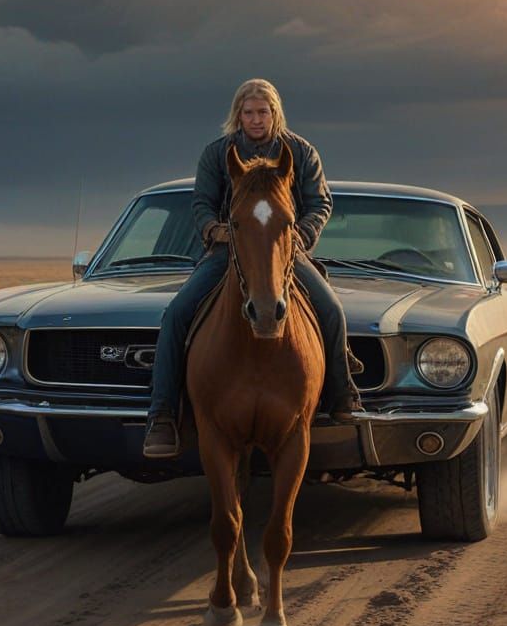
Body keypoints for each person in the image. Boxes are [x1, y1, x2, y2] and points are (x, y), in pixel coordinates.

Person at [143, 78, 363, 458]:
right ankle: (162, 414)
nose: (256, 119)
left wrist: (302, 235)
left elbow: (319, 203)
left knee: (330, 308)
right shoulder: (217, 154)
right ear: (238, 115)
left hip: (285, 252)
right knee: (177, 312)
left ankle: (343, 394)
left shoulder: (301, 152)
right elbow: (201, 203)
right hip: (228, 252)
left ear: (274, 113)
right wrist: (214, 230)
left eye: (263, 112)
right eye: (248, 112)